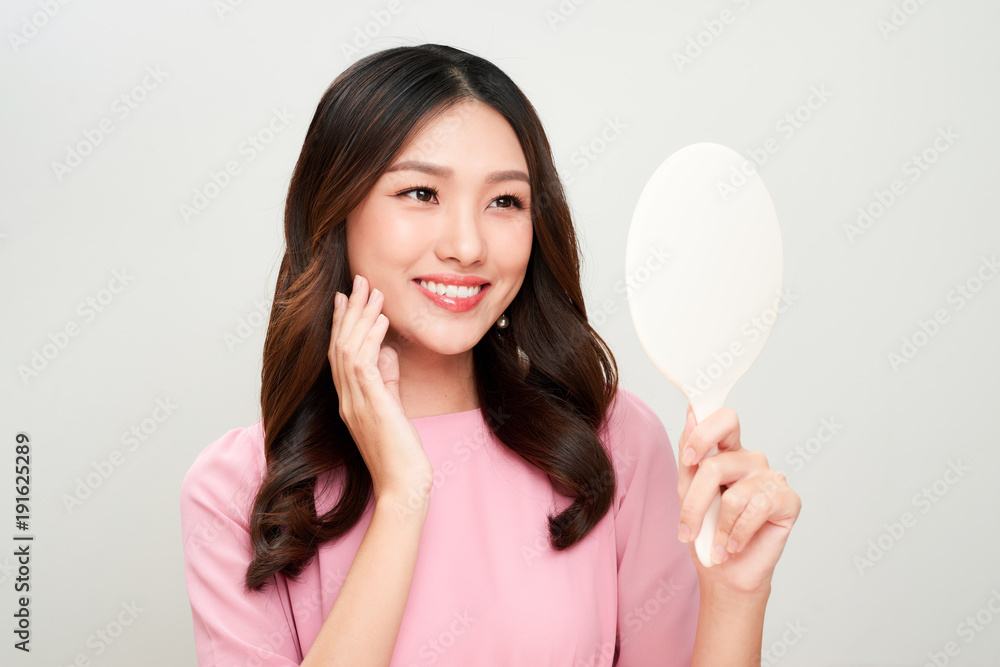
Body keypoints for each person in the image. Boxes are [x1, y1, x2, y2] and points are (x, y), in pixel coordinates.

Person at [179, 43, 801, 666]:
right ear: (335, 211)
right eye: (421, 193)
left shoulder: (613, 443)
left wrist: (735, 595)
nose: (468, 245)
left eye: (505, 201)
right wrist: (400, 499)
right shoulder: (237, 491)